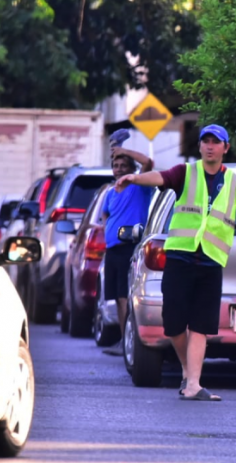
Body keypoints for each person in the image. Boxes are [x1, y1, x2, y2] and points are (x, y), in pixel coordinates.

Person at [115, 124, 236, 401]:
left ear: (226, 148)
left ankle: (193, 384)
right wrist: (134, 179)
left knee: (200, 325)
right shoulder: (185, 173)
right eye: (205, 141)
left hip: (210, 262)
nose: (210, 146)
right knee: (172, 325)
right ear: (200, 146)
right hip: (179, 256)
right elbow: (158, 177)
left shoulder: (235, 183)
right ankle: (188, 370)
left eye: (216, 142)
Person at [100, 131, 155, 356]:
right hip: (112, 250)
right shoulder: (110, 192)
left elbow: (148, 163)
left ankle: (128, 342)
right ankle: (124, 341)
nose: (119, 168)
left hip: (128, 248)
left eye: (124, 165)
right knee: (117, 298)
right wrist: (108, 230)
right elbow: (105, 214)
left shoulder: (139, 185)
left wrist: (123, 150)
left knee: (126, 297)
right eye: (116, 165)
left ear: (131, 168)